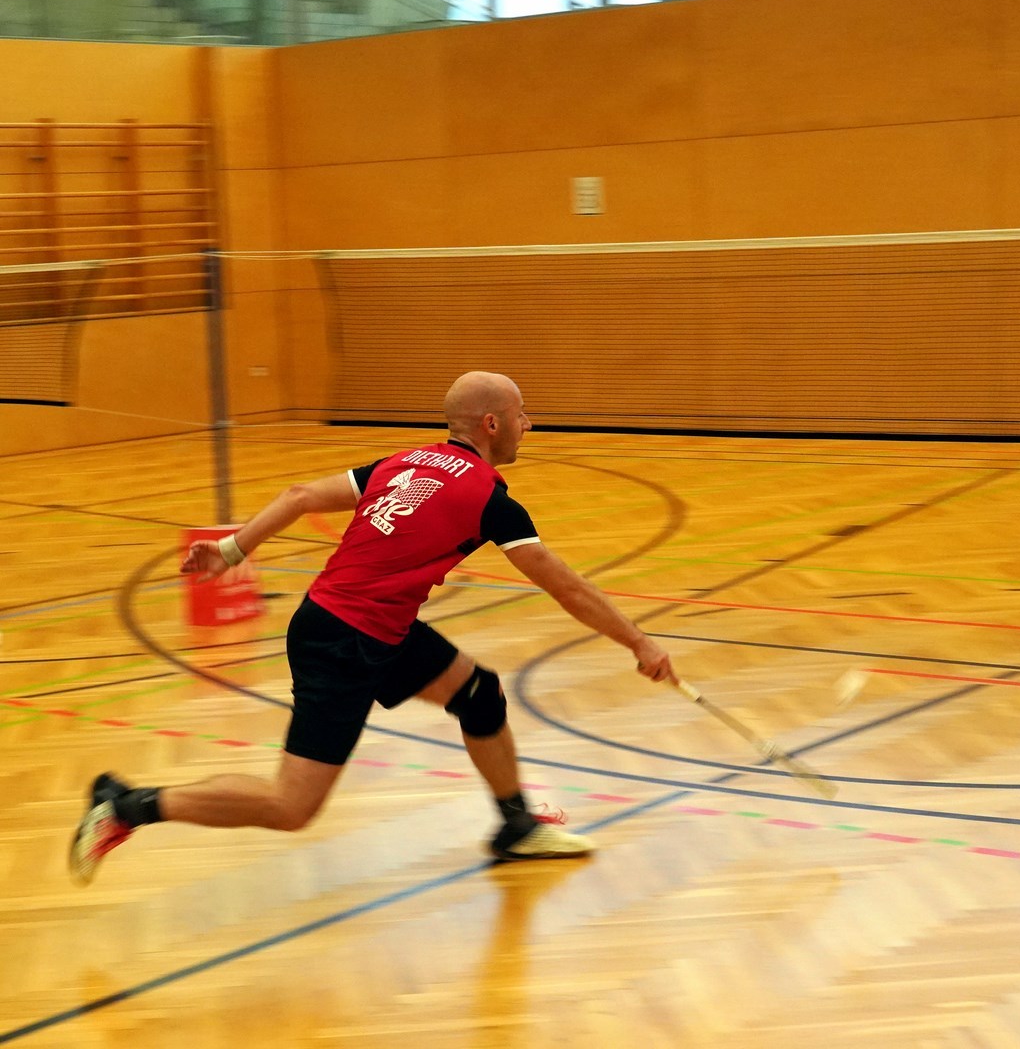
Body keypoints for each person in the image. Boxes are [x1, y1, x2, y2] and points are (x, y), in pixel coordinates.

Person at [69, 371, 675, 884]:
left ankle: (517, 826)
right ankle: (127, 806)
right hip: (345, 642)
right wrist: (640, 643)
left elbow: (301, 494)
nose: (529, 425)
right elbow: (567, 588)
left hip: (371, 625)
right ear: (492, 424)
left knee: (478, 693)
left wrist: (231, 550)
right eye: (521, 415)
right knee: (291, 806)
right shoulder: (490, 501)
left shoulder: (401, 463)